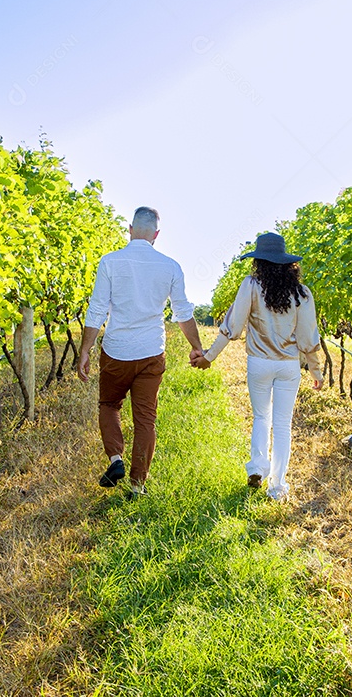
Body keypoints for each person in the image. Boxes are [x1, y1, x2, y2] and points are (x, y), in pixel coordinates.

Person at [78, 206, 205, 497]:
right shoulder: (170, 266)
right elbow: (182, 312)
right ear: (156, 235)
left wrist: (85, 350)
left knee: (109, 405)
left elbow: (97, 309)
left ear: (130, 229)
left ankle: (115, 459)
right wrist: (197, 347)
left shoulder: (110, 262)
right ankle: (137, 485)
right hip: (150, 353)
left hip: (116, 352)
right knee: (145, 419)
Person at [192, 232, 323, 501]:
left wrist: (209, 356)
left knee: (261, 417)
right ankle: (277, 486)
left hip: (259, 363)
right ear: (288, 263)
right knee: (283, 424)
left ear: (259, 262)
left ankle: (257, 468)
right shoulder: (301, 293)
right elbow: (309, 337)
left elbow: (233, 328)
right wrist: (316, 371)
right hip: (288, 366)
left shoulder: (251, 286)